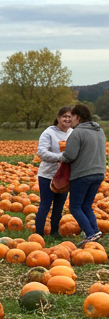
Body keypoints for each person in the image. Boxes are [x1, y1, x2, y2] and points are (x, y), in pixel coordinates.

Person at [60, 103, 106, 242]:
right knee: (86, 205)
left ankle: (90, 233)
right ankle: (95, 232)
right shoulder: (99, 131)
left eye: (72, 117)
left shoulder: (78, 132)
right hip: (99, 173)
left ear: (78, 117)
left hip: (82, 174)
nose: (70, 121)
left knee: (74, 207)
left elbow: (70, 156)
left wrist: (59, 157)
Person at [34, 106, 72, 237]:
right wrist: (61, 157)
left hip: (65, 176)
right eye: (64, 116)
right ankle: (38, 234)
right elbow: (42, 153)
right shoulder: (49, 132)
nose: (67, 119)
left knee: (59, 206)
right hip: (48, 175)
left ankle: (54, 232)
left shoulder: (73, 133)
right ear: (58, 118)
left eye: (70, 116)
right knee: (45, 204)